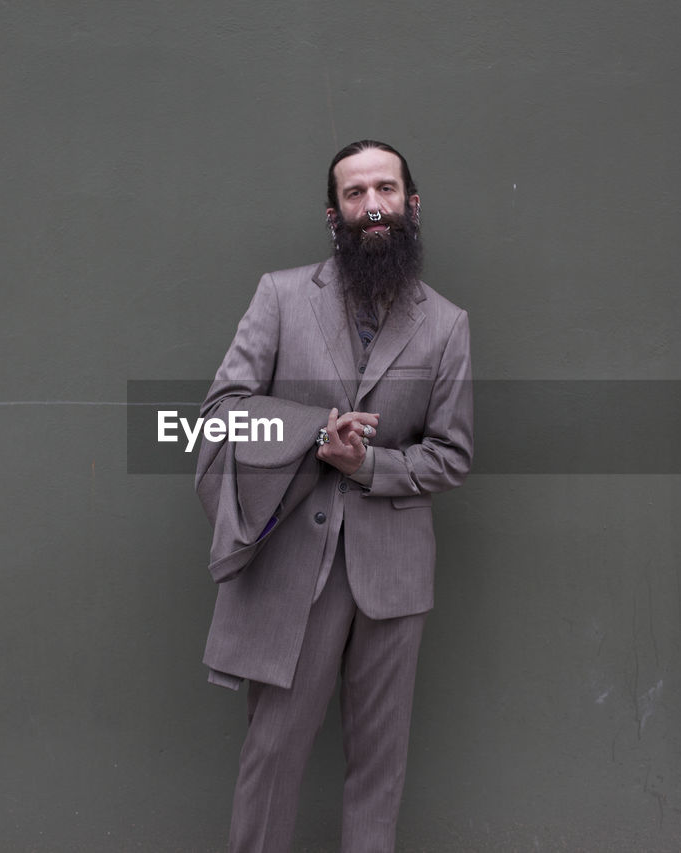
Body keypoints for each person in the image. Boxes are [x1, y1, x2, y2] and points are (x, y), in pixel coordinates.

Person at [195, 139, 474, 853]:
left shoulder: (447, 325)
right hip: (292, 566)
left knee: (379, 770)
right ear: (333, 213)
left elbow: (450, 455)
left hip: (395, 572)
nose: (371, 205)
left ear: (412, 205)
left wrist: (366, 464)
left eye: (385, 189)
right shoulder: (281, 296)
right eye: (354, 193)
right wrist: (317, 431)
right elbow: (223, 410)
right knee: (273, 753)